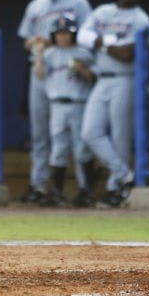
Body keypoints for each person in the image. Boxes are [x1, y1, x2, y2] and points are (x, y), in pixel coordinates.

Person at [17, 0, 92, 204]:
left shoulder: (78, 2)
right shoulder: (35, 4)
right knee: (40, 134)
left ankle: (84, 189)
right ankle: (38, 185)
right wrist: (36, 43)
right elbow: (25, 39)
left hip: (69, 71)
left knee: (79, 136)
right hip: (41, 71)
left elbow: (87, 36)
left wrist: (57, 40)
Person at [78, 0, 149, 207]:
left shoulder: (141, 19)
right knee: (90, 132)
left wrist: (101, 42)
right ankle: (124, 175)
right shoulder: (102, 11)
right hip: (102, 79)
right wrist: (112, 43)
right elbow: (81, 35)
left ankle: (115, 191)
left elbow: (127, 54)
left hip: (125, 79)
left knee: (121, 137)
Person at [36, 16, 95, 206]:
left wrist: (83, 71)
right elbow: (39, 74)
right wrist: (38, 54)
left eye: (67, 33)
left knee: (82, 149)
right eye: (59, 33)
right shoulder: (50, 53)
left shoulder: (83, 53)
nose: (63, 37)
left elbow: (94, 78)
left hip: (79, 104)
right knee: (59, 149)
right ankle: (57, 192)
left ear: (74, 34)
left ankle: (86, 191)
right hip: (57, 105)